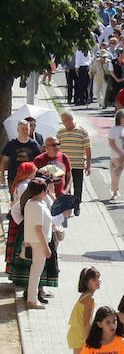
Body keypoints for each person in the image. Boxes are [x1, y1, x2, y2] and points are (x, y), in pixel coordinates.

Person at [62, 266, 101, 354]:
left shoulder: (86, 296)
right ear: (86, 282)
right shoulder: (89, 299)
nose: (98, 281)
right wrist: (91, 341)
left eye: (98, 278)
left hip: (76, 334)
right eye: (94, 279)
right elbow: (86, 323)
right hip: (80, 337)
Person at [20, 178, 53, 310]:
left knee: (35, 270)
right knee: (36, 271)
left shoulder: (31, 202)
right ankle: (32, 299)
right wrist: (46, 247)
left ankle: (32, 298)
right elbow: (38, 228)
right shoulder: (37, 206)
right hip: (38, 242)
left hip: (35, 240)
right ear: (41, 191)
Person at [57, 111, 91, 216]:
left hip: (78, 164)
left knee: (78, 187)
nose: (64, 123)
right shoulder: (61, 132)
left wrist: (88, 165)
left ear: (71, 119)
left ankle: (76, 206)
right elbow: (57, 147)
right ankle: (68, 206)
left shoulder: (82, 132)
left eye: (66, 120)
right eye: (63, 121)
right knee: (66, 186)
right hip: (64, 166)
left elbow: (88, 149)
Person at [1, 120, 41, 191]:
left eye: (26, 129)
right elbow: (4, 161)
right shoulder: (11, 144)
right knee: (14, 200)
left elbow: (39, 160)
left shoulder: (34, 144)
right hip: (13, 177)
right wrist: (2, 176)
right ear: (18, 130)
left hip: (29, 178)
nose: (25, 131)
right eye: (22, 129)